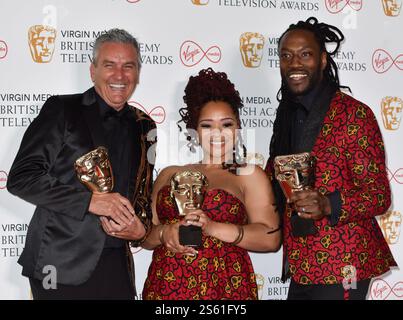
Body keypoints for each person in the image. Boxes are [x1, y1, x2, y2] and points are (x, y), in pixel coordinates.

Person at [7, 28, 156, 299]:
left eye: (128, 66)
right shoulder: (63, 110)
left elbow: (143, 194)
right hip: (59, 262)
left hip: (117, 266)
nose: (120, 76)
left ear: (138, 73)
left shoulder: (145, 125)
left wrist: (141, 231)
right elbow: (22, 178)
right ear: (93, 70)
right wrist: (90, 201)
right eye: (109, 65)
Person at [266, 17, 397, 300]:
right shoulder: (286, 118)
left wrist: (328, 202)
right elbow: (276, 182)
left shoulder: (354, 114)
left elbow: (378, 195)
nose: (295, 64)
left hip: (343, 263)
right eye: (286, 56)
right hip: (302, 265)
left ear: (323, 60)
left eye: (305, 54)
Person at [142, 68, 281, 300]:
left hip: (225, 288)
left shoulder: (248, 175)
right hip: (167, 287)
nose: (217, 133)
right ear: (195, 131)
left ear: (237, 129)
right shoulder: (169, 175)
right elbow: (146, 236)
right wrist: (166, 232)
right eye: (207, 125)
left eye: (226, 124)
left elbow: (270, 238)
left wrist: (213, 227)